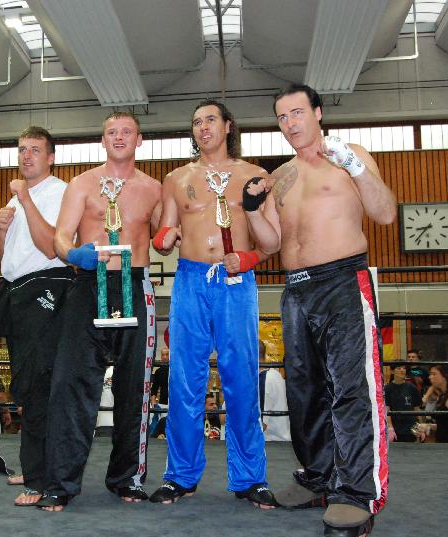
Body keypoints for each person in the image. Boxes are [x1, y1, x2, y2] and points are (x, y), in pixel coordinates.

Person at [244, 84, 396, 536]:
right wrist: (251, 211)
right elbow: (271, 242)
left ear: (318, 113)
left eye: (297, 113)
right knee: (305, 392)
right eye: (282, 117)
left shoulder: (351, 156)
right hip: (296, 289)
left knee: (351, 389)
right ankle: (319, 478)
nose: (290, 123)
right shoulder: (282, 176)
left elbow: (386, 213)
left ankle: (357, 493)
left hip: (343, 281)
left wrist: (355, 167)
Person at [150, 99, 276, 508]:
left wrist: (249, 257)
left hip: (236, 281)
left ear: (227, 126)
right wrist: (163, 239)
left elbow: (271, 241)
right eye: (196, 122)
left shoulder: (255, 176)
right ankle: (180, 476)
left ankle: (250, 478)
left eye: (209, 120)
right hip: (190, 280)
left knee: (241, 378)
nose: (202, 127)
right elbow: (164, 233)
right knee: (184, 380)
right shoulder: (176, 178)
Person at [36, 111, 162, 511]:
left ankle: (127, 478)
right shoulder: (82, 184)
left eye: (126, 131)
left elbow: (164, 237)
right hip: (88, 284)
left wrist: (174, 232)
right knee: (71, 385)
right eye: (111, 132)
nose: (119, 137)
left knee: (135, 387)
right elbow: (60, 236)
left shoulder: (154, 189)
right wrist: (74, 253)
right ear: (102, 140)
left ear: (139, 140)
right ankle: (60, 483)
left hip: (135, 285)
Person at [0, 126, 74, 506]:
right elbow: (3, 258)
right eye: (22, 149)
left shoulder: (59, 192)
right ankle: (34, 466)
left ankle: (41, 480)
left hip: (47, 289)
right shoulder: (18, 199)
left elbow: (52, 247)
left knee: (40, 386)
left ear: (50, 158)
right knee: (25, 385)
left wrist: (24, 198)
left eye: (35, 150)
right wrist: (1, 231)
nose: (26, 156)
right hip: (16, 291)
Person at [415, 365, 448, 443]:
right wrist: (429, 426)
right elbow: (447, 426)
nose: (430, 377)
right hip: (444, 445)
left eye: (434, 374)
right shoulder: (443, 396)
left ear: (445, 376)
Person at [259, 341, 291, 442]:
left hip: (272, 444)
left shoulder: (264, 379)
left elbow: (261, 425)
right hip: (281, 441)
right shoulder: (275, 375)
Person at [384, 364, 422, 443]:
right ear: (392, 371)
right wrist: (390, 428)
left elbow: (417, 409)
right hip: (395, 429)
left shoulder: (411, 387)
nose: (402, 370)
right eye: (399, 368)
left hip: (411, 428)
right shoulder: (387, 389)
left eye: (404, 368)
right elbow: (387, 409)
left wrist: (420, 426)